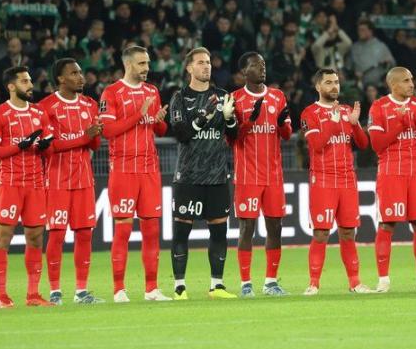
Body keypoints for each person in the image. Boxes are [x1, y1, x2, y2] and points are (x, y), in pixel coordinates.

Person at [99, 46, 170, 302]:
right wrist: (138, 115)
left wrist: (160, 119)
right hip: (124, 170)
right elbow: (108, 131)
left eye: (148, 63)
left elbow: (160, 130)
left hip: (150, 169)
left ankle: (152, 288)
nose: (146, 68)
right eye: (142, 63)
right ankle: (119, 289)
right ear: (128, 64)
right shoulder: (111, 92)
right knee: (123, 230)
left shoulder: (152, 91)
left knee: (152, 230)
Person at [168, 47, 238, 300]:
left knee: (219, 231)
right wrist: (205, 116)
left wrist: (229, 119)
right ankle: (179, 287)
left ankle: (217, 286)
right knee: (181, 232)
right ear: (189, 68)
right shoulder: (179, 97)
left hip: (218, 176)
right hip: (188, 176)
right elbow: (182, 134)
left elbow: (234, 135)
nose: (206, 67)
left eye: (208, 62)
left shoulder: (222, 96)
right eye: (200, 63)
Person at [367, 67, 416, 293]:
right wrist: (400, 123)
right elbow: (377, 145)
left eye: (412, 80)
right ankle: (383, 281)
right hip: (391, 171)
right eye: (407, 81)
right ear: (394, 85)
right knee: (387, 224)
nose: (412, 84)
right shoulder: (379, 107)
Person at [0, 66, 54, 308]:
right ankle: (2, 296)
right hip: (10, 183)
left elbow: (49, 146)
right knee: (3, 237)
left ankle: (33, 295)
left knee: (35, 238)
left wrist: (45, 146)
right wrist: (20, 146)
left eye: (30, 80)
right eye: (24, 81)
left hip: (36, 183)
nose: (30, 85)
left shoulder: (39, 113)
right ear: (11, 86)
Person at [300, 68, 371, 295]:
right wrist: (331, 123)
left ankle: (355, 283)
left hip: (347, 179)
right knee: (321, 232)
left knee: (348, 233)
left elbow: (362, 144)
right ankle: (313, 283)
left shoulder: (347, 111)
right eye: (328, 82)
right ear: (318, 87)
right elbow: (317, 145)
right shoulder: (309, 113)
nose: (334, 87)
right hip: (323, 179)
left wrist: (355, 124)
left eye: (336, 82)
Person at [39, 58, 104, 304]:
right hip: (56, 180)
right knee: (56, 235)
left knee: (84, 234)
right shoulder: (46, 106)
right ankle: (55, 291)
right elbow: (50, 148)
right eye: (74, 73)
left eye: (80, 72)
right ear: (60, 79)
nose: (81, 77)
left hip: (84, 179)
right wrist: (83, 137)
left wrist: (94, 135)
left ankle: (81, 291)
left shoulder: (90, 104)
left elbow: (95, 144)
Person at [231, 52, 292, 297]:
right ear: (244, 72)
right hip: (247, 175)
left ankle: (271, 282)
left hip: (274, 175)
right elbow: (232, 138)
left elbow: (287, 134)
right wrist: (248, 122)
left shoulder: (277, 96)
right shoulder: (234, 99)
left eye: (264, 64)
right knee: (247, 228)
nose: (262, 68)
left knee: (275, 227)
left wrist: (280, 123)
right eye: (256, 65)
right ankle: (246, 283)